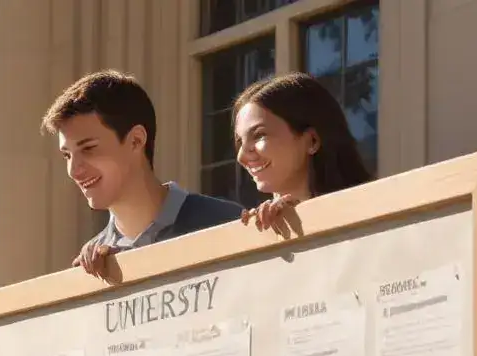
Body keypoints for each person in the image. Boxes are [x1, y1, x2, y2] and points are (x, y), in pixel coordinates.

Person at [41, 70, 242, 281]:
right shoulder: (91, 267)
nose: (74, 170)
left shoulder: (226, 222)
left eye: (88, 149)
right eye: (67, 156)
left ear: (136, 140)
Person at [233, 72, 373, 234]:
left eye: (258, 135)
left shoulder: (375, 213)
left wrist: (307, 213)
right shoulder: (256, 228)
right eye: (239, 142)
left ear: (312, 140)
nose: (242, 156)